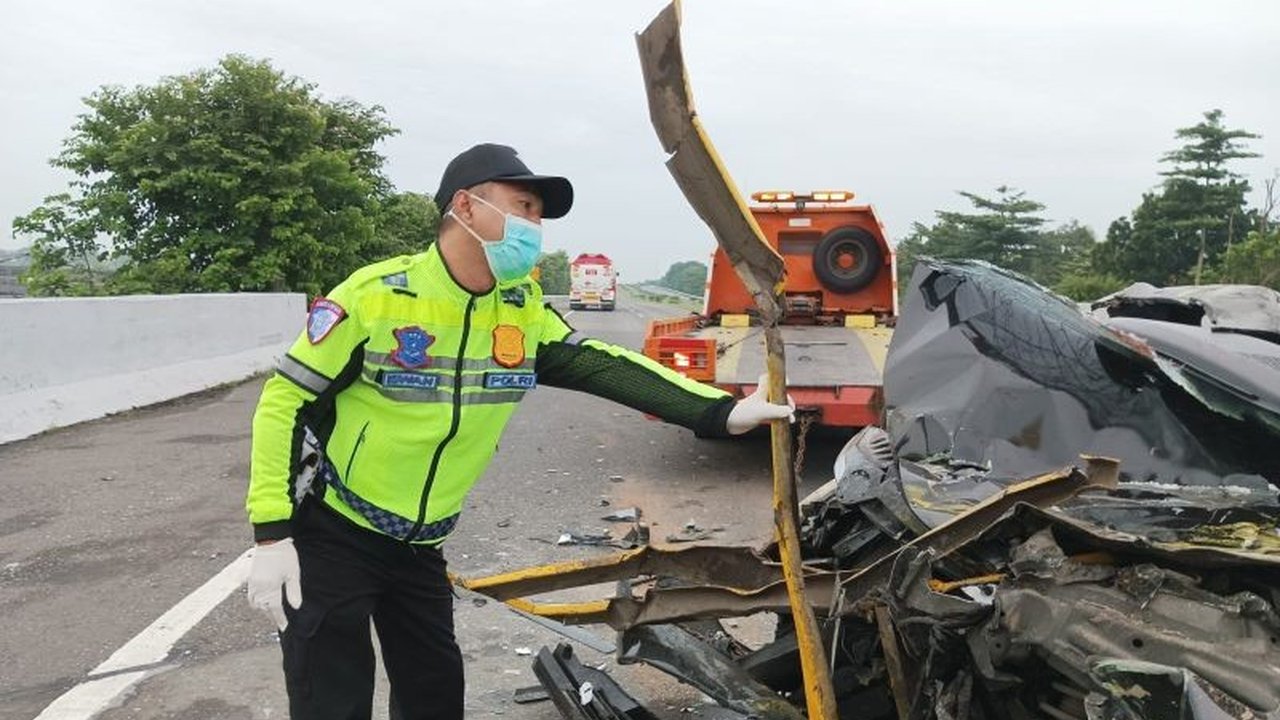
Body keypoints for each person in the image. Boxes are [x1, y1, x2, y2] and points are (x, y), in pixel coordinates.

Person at [245, 143, 793, 720]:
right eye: (524, 206)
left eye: (538, 215)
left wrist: (718, 412)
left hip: (421, 546)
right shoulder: (376, 295)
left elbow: (603, 364)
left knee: (434, 697)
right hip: (337, 534)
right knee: (332, 701)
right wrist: (272, 533)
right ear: (465, 206)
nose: (534, 226)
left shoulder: (520, 307)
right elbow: (284, 401)